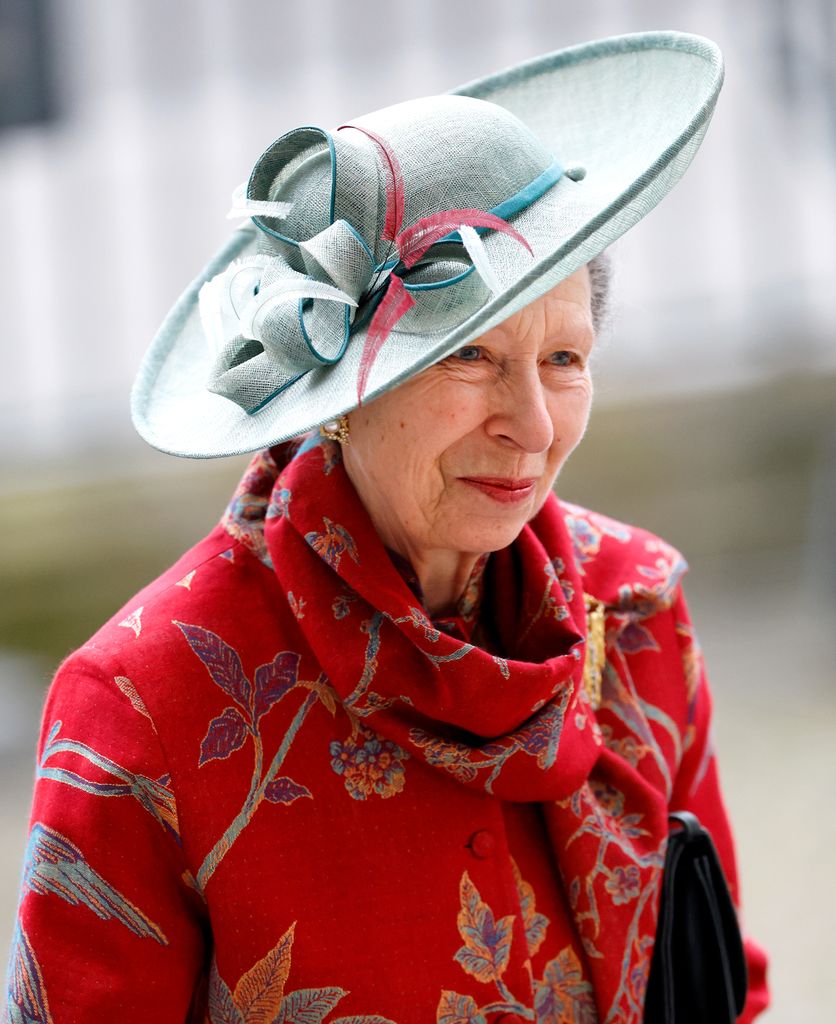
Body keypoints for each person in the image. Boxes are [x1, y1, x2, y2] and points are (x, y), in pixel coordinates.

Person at [5, 31, 769, 1023]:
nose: (530, 427)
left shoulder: (634, 608)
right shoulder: (148, 704)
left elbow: (726, 992)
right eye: (471, 358)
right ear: (343, 391)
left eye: (564, 360)